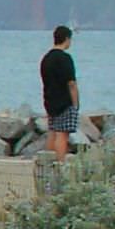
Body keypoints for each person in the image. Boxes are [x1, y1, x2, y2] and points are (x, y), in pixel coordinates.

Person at [40, 24, 80, 162]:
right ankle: (60, 163)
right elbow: (71, 83)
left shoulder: (46, 59)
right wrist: (76, 103)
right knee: (62, 135)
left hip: (50, 100)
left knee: (52, 132)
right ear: (67, 39)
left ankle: (47, 162)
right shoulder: (65, 58)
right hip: (64, 101)